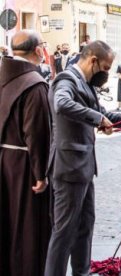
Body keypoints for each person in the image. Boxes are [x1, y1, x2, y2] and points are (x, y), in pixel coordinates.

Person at [45, 40, 121, 276]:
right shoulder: (66, 79)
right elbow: (62, 103)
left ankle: (82, 272)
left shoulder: (85, 84)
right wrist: (96, 118)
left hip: (84, 168)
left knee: (85, 227)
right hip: (68, 168)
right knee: (64, 233)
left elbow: (104, 114)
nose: (107, 73)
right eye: (106, 68)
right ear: (93, 60)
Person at [0, 30, 51, 276]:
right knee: (26, 227)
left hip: (3, 160)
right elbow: (37, 134)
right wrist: (40, 174)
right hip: (23, 165)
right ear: (38, 51)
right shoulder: (34, 85)